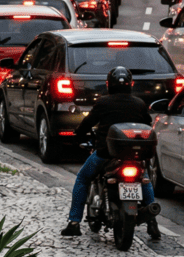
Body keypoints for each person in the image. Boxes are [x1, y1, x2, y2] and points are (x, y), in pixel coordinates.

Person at [62, 66, 160, 240]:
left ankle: (74, 222)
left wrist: (78, 134)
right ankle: (152, 222)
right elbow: (147, 122)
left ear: (109, 85)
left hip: (105, 155)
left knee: (83, 178)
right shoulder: (139, 103)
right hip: (134, 157)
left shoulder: (103, 103)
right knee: (144, 181)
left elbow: (87, 123)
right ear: (131, 84)